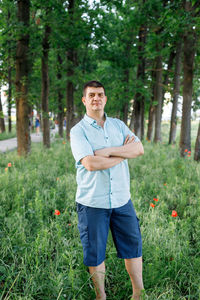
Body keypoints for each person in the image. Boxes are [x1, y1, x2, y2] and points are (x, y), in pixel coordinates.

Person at [70, 81, 144, 300]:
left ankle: (139, 294)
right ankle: (100, 296)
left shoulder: (118, 126)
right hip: (92, 202)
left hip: (122, 200)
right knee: (95, 253)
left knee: (133, 247)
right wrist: (123, 154)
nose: (96, 98)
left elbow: (138, 149)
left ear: (105, 98)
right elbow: (91, 164)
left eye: (100, 94)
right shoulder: (78, 131)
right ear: (84, 100)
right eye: (91, 95)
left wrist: (109, 152)